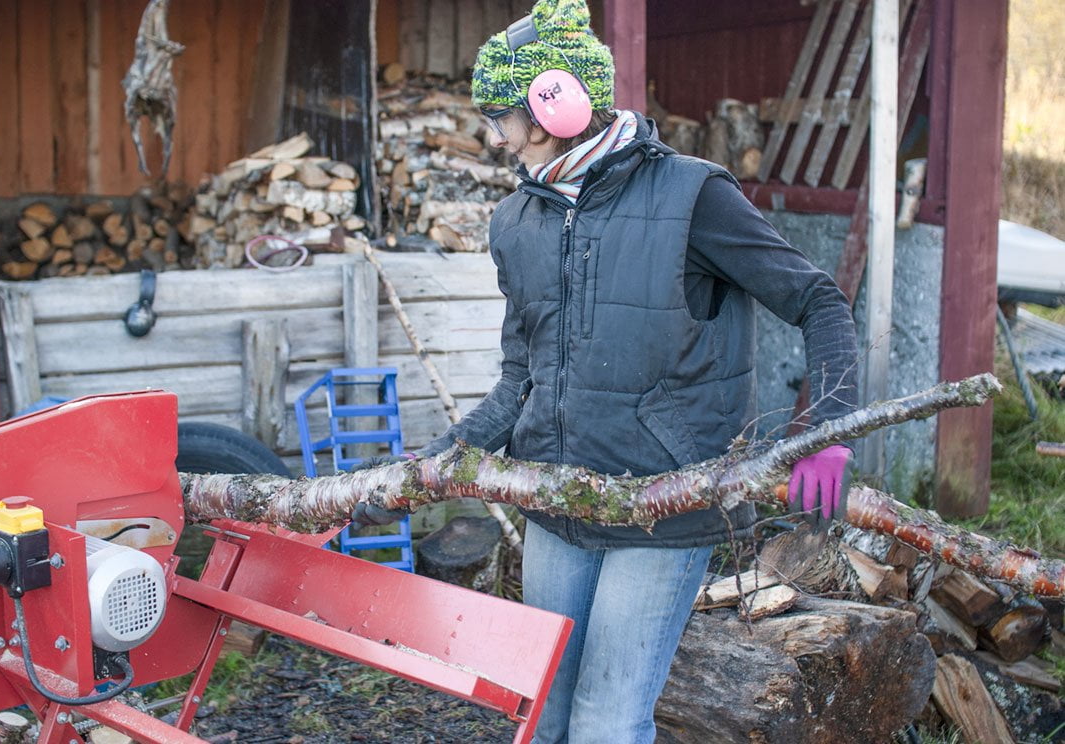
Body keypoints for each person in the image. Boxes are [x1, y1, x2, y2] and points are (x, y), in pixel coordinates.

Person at [352, 0, 858, 741]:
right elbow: (517, 380)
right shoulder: (516, 222)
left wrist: (829, 430)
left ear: (554, 104)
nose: (493, 139)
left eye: (500, 117)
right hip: (555, 504)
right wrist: (426, 468)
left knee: (606, 721)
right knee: (541, 710)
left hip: (665, 505)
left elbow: (816, 298)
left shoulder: (692, 196)